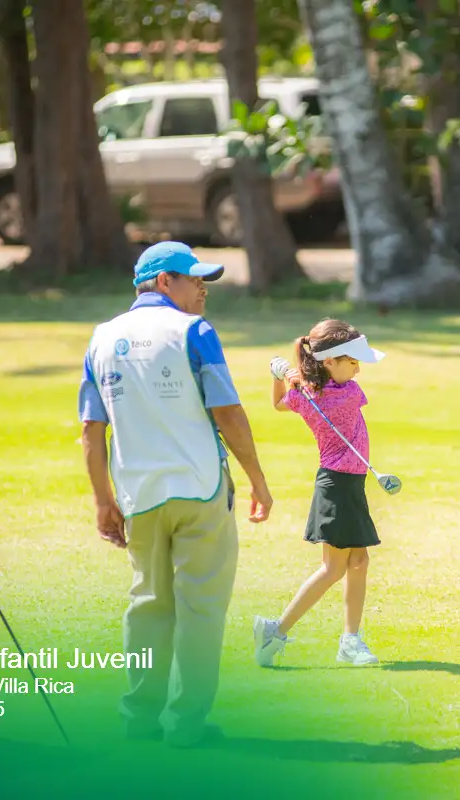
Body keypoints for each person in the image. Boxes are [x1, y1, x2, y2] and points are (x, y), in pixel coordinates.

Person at [78, 241, 274, 748]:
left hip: (138, 495)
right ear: (164, 281)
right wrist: (257, 477)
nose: (203, 289)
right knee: (200, 609)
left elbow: (91, 430)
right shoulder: (195, 331)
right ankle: (187, 726)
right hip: (199, 488)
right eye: (195, 279)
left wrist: (102, 500)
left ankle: (138, 719)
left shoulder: (101, 338)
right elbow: (227, 412)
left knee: (148, 604)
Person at [253, 318, 386, 668]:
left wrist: (282, 377)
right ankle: (276, 630)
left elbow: (280, 404)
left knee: (358, 562)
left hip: (347, 484)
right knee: (333, 569)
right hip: (338, 485)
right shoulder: (348, 394)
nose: (358, 370)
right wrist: (292, 377)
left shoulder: (306, 395)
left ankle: (349, 641)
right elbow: (308, 394)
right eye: (352, 361)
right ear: (329, 361)